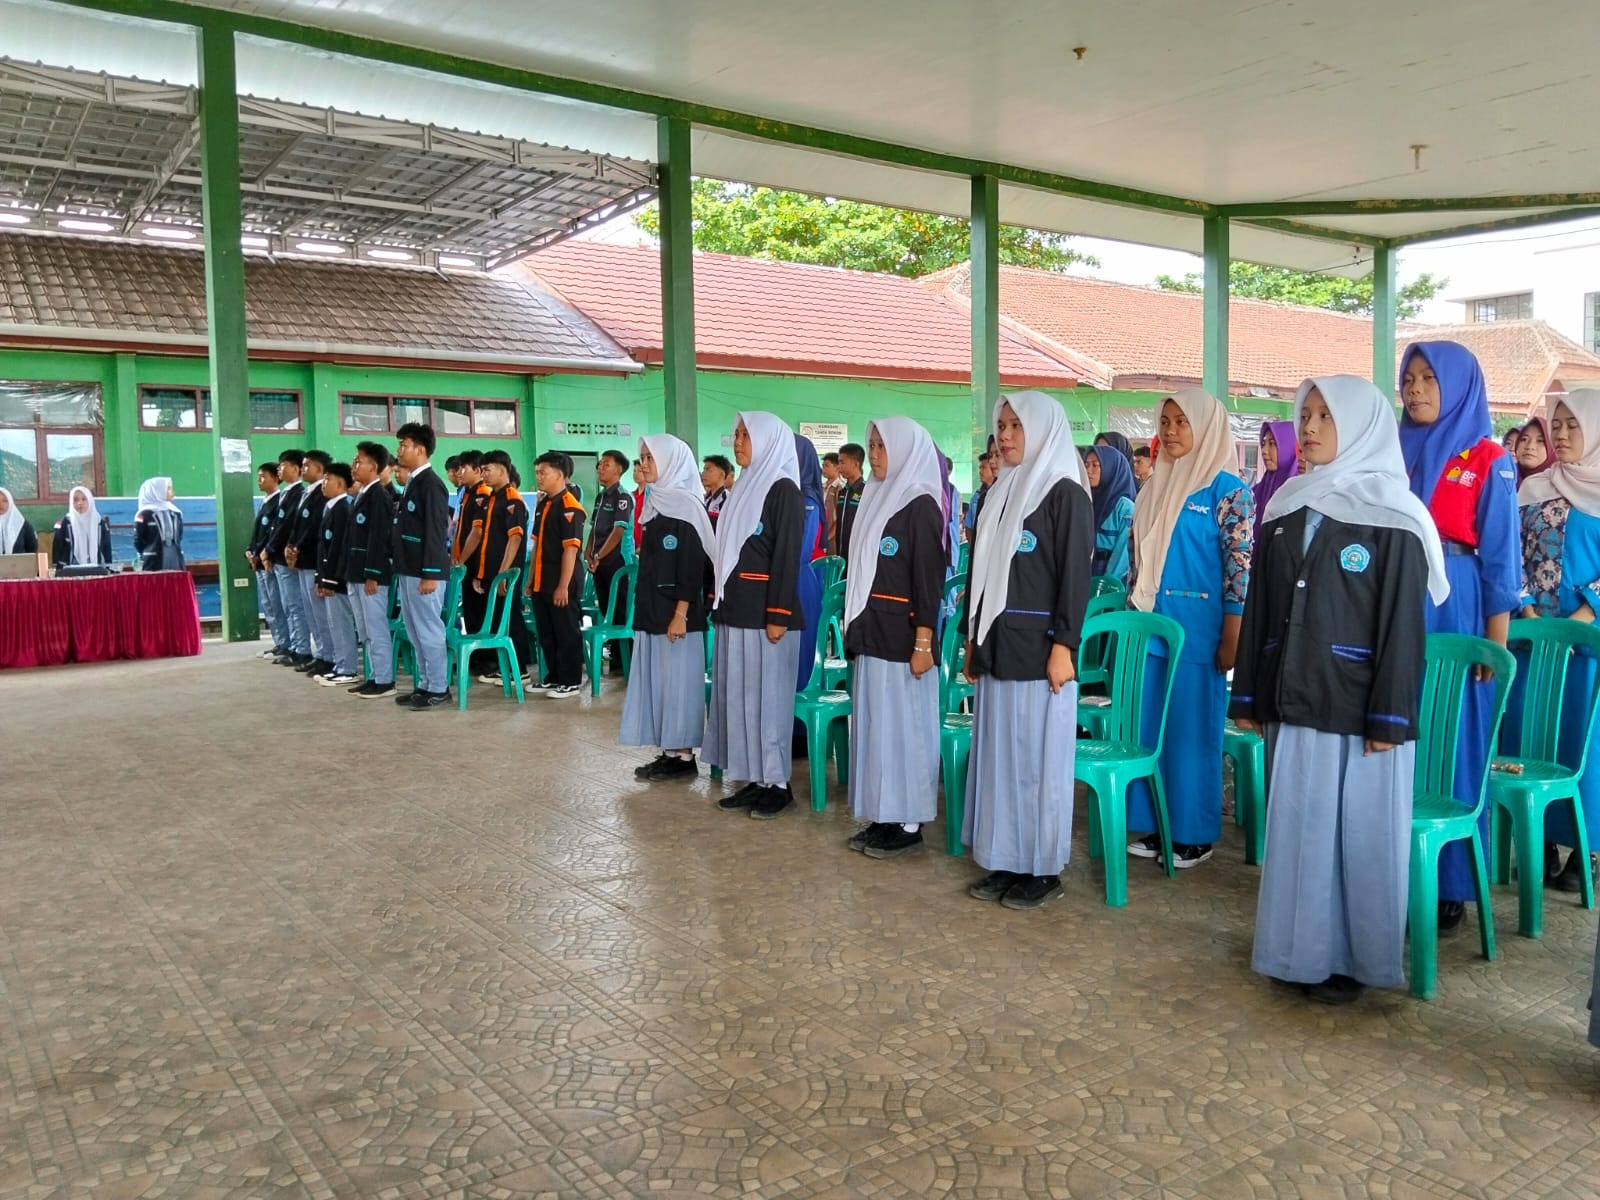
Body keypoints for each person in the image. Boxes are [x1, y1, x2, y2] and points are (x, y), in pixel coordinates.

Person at [1233, 375, 1445, 1005]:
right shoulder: (1283, 507)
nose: (1311, 427)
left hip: (1359, 706)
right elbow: (1261, 606)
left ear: (1360, 427)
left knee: (1357, 833)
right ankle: (1298, 951)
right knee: (1299, 825)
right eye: (1307, 415)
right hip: (1294, 694)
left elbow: (1403, 627)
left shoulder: (1395, 515)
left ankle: (1353, 960)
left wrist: (1390, 718)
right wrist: (1247, 696)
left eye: (1327, 417)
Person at [1399, 341, 1520, 934]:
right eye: (1409, 378)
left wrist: (1492, 647)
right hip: (1397, 598)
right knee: (1400, 726)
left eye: (1429, 378)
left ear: (1459, 384)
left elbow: (1501, 559)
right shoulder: (1393, 447)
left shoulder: (1489, 456)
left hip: (1457, 603)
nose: (1416, 390)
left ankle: (1451, 882)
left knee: (1454, 732)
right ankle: (1393, 861)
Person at [960, 391, 1094, 908]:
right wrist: (972, 640)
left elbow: (1074, 579)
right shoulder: (999, 492)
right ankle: (1005, 859)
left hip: (1041, 652)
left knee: (1036, 761)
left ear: (1041, 429)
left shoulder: (1063, 493)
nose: (1007, 435)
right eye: (1002, 425)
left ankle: (1041, 868)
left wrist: (1065, 645)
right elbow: (980, 577)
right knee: (999, 758)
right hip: (996, 646)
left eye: (1017, 425)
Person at [1126, 389, 1254, 869]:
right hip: (1152, 628)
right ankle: (1159, 823)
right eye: (1166, 421)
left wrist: (1233, 634)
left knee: (1192, 734)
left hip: (1201, 633)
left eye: (1182, 422)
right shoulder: (1155, 485)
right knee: (1152, 730)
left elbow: (1239, 569)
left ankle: (1194, 834)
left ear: (1206, 427)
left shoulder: (1228, 492)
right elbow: (1138, 565)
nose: (1172, 430)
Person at [843, 417, 947, 858]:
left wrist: (924, 642)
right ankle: (883, 814)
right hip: (873, 631)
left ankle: (908, 822)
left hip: (905, 639)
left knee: (905, 730)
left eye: (882, 446)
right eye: (871, 446)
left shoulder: (921, 503)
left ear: (906, 449)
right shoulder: (876, 497)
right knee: (876, 728)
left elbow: (929, 582)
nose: (874, 455)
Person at [1514, 389, 1600, 893]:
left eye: (1574, 425)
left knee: (1584, 746)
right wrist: (1526, 609)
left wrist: (1586, 615)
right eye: (1557, 424)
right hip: (1532, 643)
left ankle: (1586, 849)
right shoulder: (1533, 489)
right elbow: (1511, 555)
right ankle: (1539, 839)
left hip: (1587, 646)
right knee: (1530, 738)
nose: (1562, 434)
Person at [706, 412, 805, 819]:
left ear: (768, 440)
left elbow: (786, 556)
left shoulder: (783, 490)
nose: (739, 441)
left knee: (768, 700)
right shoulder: (744, 487)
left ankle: (778, 784)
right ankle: (755, 778)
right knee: (741, 699)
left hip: (768, 613)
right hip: (736, 609)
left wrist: (778, 613)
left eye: (748, 435)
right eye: (738, 434)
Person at [623, 434, 717, 781]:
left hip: (678, 615)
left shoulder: (686, 506)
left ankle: (683, 757)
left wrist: (680, 614)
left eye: (650, 458)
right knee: (659, 683)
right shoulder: (655, 502)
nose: (643, 464)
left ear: (670, 462)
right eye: (642, 457)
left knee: (679, 683)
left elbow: (692, 568)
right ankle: (667, 750)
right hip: (651, 610)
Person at [393, 422, 453, 709]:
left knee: (428, 629)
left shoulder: (431, 484)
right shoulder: (413, 483)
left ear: (420, 449)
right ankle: (425, 684)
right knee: (415, 630)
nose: (399, 450)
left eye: (404, 445)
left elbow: (435, 530)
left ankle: (439, 687)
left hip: (425, 572)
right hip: (409, 569)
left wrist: (430, 573)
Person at [470, 449, 533, 686]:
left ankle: (522, 669)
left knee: (512, 619)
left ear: (503, 470)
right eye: (482, 470)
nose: (483, 474)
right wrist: (480, 574)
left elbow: (514, 539)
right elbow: (486, 539)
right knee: (498, 620)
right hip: (490, 574)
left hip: (505, 575)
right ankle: (503, 666)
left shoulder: (512, 500)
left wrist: (503, 574)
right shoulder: (490, 499)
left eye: (487, 469)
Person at [527, 451, 587, 698]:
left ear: (560, 475)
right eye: (537, 472)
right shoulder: (544, 505)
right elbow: (537, 545)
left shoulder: (571, 508)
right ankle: (553, 677)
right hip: (542, 579)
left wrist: (563, 586)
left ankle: (571, 680)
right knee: (547, 632)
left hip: (562, 580)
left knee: (565, 631)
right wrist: (530, 581)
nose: (539, 477)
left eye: (544, 472)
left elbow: (570, 551)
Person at [344, 441, 396, 698]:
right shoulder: (362, 495)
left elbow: (379, 538)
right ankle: (373, 675)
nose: (354, 467)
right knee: (364, 631)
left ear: (374, 467)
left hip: (371, 576)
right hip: (355, 574)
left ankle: (385, 680)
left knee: (376, 629)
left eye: (358, 462)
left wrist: (373, 574)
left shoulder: (379, 497)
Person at [587, 449, 635, 676]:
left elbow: (617, 532)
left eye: (606, 464)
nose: (600, 468)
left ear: (619, 469)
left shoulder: (623, 497)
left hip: (618, 564)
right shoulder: (601, 496)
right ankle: (616, 658)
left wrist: (598, 556)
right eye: (599, 464)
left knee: (622, 612)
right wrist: (589, 552)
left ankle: (631, 659)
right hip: (599, 564)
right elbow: (594, 529)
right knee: (607, 608)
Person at [262, 451, 311, 667]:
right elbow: (274, 527)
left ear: (296, 468)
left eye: (284, 466)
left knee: (294, 606)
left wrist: (271, 549)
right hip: (279, 557)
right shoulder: (286, 494)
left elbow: (287, 527)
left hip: (287, 558)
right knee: (284, 605)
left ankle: (301, 649)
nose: (280, 470)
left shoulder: (298, 493)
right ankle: (292, 646)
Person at [313, 462, 360, 688]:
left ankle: (348, 668)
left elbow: (339, 549)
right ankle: (340, 665)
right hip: (329, 575)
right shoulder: (331, 507)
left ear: (340, 484)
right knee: (334, 624)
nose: (323, 484)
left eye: (327, 480)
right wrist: (320, 578)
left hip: (339, 579)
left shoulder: (343, 509)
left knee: (341, 624)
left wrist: (330, 580)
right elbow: (323, 548)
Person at [285, 451, 332, 675]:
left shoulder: (323, 495)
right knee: (310, 611)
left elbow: (315, 527)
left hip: (313, 559)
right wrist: (291, 546)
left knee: (320, 612)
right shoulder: (306, 493)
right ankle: (320, 653)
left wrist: (297, 548)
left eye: (308, 466)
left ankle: (329, 656)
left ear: (320, 470)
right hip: (302, 560)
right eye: (302, 466)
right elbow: (297, 525)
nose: (303, 470)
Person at [793, 433, 827, 692]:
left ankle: (801, 731)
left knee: (800, 655)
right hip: (790, 578)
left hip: (799, 583)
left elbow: (800, 550)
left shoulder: (807, 500)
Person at [244, 466, 289, 656]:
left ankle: (286, 644)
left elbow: (274, 532)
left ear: (275, 478)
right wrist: (250, 550)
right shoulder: (265, 502)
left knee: (278, 604)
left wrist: (262, 552)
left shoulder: (278, 502)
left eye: (264, 476)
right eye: (258, 476)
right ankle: (279, 642)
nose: (259, 480)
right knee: (269, 604)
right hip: (259, 559)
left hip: (268, 558)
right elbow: (258, 532)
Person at [1085, 442, 1136, 582]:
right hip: (1084, 576)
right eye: (1086, 464)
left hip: (1109, 582)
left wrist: (1105, 587)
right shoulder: (1085, 499)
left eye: (1095, 465)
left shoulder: (1125, 508)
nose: (1088, 471)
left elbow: (1122, 556)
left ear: (1111, 468)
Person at [1252, 420, 1300, 538]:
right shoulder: (1256, 492)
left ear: (1289, 447)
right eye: (1263, 444)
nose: (1264, 451)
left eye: (1272, 444)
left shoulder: (1300, 493)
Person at [51, 485, 112, 569]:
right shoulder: (64, 524)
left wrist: (108, 567)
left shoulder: (99, 523)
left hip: (97, 568)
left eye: (84, 499)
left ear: (90, 501)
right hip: (70, 570)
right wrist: (57, 569)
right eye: (75, 500)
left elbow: (106, 547)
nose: (80, 503)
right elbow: (57, 550)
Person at [132, 477, 184, 572]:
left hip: (174, 557)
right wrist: (144, 553)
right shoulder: (143, 514)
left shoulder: (176, 513)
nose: (172, 492)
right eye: (168, 488)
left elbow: (179, 536)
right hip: (153, 559)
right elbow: (138, 540)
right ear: (157, 491)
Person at [836, 442, 866, 566]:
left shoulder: (866, 491)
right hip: (841, 554)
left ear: (855, 464)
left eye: (842, 462)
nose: (839, 466)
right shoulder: (843, 491)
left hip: (857, 556)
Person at [964, 436, 1000, 535]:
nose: (980, 472)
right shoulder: (977, 497)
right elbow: (969, 527)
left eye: (983, 467)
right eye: (980, 468)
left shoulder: (1005, 493)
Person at [1515, 416, 1555, 486]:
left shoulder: (1558, 486)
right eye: (1524, 439)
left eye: (1540, 441)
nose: (1530, 447)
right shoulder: (1505, 477)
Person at [0, 487, 37, 557]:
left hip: (18, 566)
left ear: (11, 502)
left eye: (4, 500)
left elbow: (32, 549)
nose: (0, 504)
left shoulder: (22, 524)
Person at [822, 451, 845, 552]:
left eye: (827, 466)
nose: (823, 469)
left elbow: (840, 517)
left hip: (831, 538)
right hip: (820, 535)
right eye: (823, 465)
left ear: (837, 467)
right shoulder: (821, 487)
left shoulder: (840, 488)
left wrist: (827, 537)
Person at [702, 455, 734, 526]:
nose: (703, 473)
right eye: (704, 469)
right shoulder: (707, 500)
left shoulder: (727, 499)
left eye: (708, 470)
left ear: (721, 475)